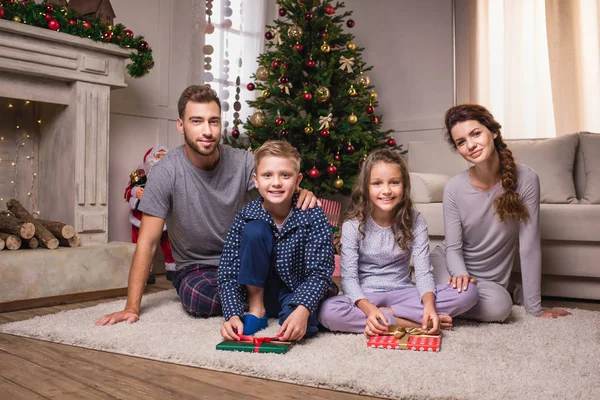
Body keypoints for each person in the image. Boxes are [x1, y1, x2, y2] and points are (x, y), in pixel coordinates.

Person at [95, 85, 318, 326]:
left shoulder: (242, 161)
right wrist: (131, 307)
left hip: (245, 260)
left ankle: (271, 299)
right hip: (198, 268)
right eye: (197, 121)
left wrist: (300, 191)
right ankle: (279, 299)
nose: (207, 131)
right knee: (199, 298)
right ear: (181, 125)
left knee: (296, 272)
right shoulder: (165, 172)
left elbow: (278, 181)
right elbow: (147, 243)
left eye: (213, 121)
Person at [429, 104, 570, 322]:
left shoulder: (526, 179)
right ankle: (432, 297)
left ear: (493, 132)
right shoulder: (454, 188)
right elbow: (453, 249)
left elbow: (529, 247)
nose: (471, 145)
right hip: (451, 267)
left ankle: (437, 301)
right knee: (460, 293)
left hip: (490, 284)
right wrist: (460, 276)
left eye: (476, 134)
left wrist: (534, 308)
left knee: (501, 308)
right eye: (461, 142)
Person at [318, 150, 478, 337]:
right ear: (366, 187)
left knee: (469, 292)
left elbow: (424, 273)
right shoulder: (352, 224)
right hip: (367, 295)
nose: (386, 190)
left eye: (394, 182)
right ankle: (413, 323)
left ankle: (389, 318)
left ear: (404, 186)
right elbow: (349, 279)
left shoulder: (415, 220)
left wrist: (428, 306)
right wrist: (369, 309)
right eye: (377, 183)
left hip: (404, 292)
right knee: (327, 311)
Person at [218, 141, 337, 342]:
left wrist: (303, 309)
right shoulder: (246, 216)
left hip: (297, 290)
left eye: (285, 175)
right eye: (267, 175)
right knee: (255, 230)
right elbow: (227, 270)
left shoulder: (313, 214)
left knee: (299, 328)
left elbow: (321, 270)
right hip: (260, 291)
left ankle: (294, 311)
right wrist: (232, 315)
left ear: (298, 180)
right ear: (256, 180)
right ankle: (257, 310)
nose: (276, 183)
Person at [124, 146, 176, 284]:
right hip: (141, 217)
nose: (161, 159)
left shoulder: (172, 175)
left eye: (164, 156)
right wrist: (136, 192)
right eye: (158, 156)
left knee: (169, 244)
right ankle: (144, 272)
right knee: (141, 245)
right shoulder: (139, 175)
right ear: (150, 159)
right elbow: (127, 191)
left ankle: (173, 270)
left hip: (164, 215)